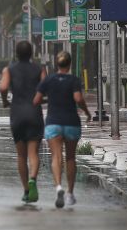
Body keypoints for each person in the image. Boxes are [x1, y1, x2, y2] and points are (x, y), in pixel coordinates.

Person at [33, 51, 92, 208]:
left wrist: (51, 98)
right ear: (69, 64)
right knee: (71, 158)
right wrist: (86, 112)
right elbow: (78, 98)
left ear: (56, 64)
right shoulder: (73, 80)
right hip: (72, 122)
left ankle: (58, 186)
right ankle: (70, 193)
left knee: (56, 156)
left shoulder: (49, 80)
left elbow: (37, 100)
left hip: (53, 123)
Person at [0, 41, 46, 203]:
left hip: (17, 113)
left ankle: (26, 189)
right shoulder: (39, 69)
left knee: (21, 155)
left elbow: (4, 87)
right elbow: (44, 87)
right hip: (34, 112)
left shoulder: (9, 70)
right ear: (32, 53)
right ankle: (33, 178)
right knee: (33, 152)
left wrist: (5, 101)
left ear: (16, 54)